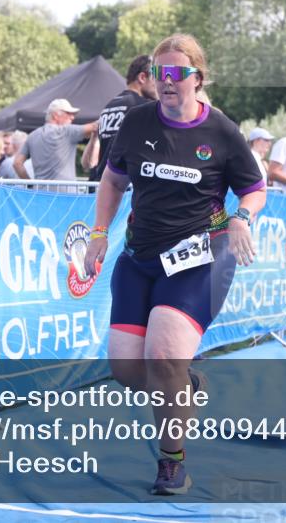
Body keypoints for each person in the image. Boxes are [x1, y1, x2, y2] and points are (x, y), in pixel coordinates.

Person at [83, 34, 266, 496]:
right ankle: (186, 383)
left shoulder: (221, 131)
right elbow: (111, 181)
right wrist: (99, 234)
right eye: (160, 72)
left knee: (162, 357)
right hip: (139, 257)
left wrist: (243, 218)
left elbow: (253, 187)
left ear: (196, 79)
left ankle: (172, 462)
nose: (167, 82)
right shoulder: (136, 121)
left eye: (177, 74)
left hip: (200, 260)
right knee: (126, 370)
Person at [84, 54, 157, 181]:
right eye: (155, 78)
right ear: (142, 77)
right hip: (122, 186)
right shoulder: (141, 108)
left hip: (102, 181)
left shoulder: (109, 106)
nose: (159, 84)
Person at [14, 99, 97, 181]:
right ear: (55, 115)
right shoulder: (66, 131)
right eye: (68, 113)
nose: (72, 117)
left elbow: (17, 163)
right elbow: (95, 126)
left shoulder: (32, 135)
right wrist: (108, 113)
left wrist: (30, 183)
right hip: (65, 193)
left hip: (39, 192)